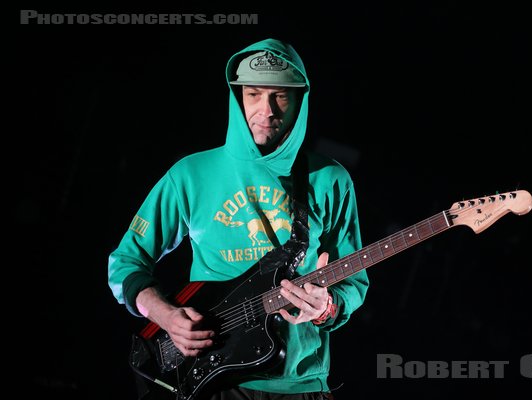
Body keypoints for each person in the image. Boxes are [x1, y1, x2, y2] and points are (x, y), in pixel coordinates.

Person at [108, 38, 369, 400]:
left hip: (300, 381)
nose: (267, 110)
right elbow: (125, 262)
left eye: (281, 95)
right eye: (254, 94)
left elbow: (354, 284)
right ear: (237, 96)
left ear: (300, 101)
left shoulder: (330, 179)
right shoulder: (191, 174)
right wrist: (165, 315)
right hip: (209, 380)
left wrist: (327, 307)